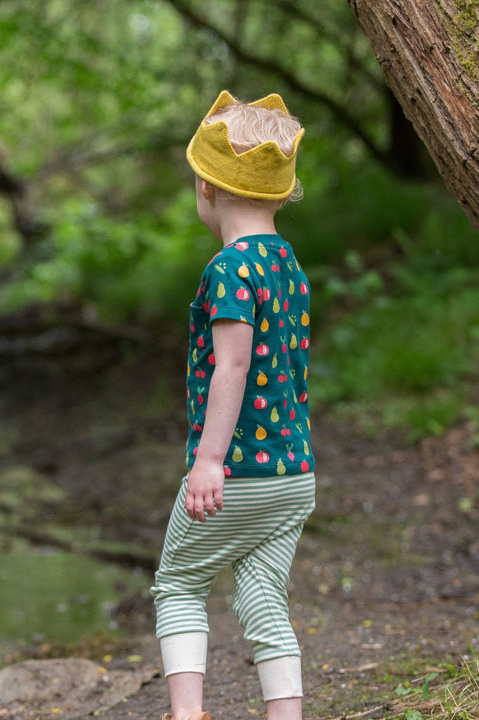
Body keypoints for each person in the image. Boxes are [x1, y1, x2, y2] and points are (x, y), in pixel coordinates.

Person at [151, 89, 316, 720]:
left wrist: (209, 460)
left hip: (238, 471)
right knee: (262, 594)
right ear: (278, 194)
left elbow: (235, 365)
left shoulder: (229, 270)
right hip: (292, 474)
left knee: (179, 582)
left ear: (207, 189)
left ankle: (186, 714)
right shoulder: (289, 266)